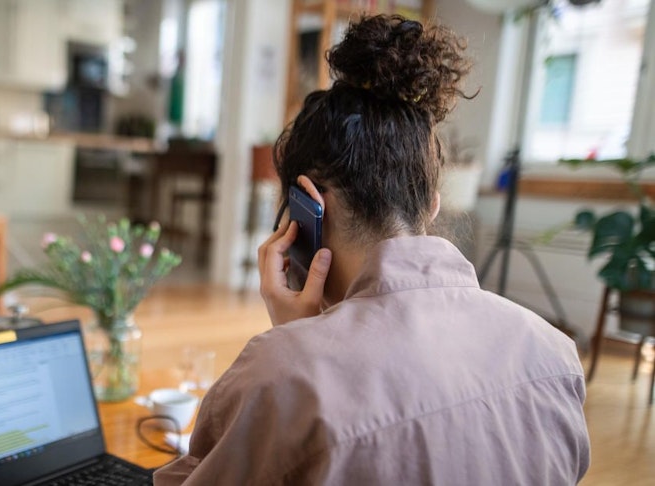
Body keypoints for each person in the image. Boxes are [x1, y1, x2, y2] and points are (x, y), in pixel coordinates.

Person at [154, 14, 589, 485]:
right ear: (432, 204)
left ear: (307, 204)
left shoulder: (279, 377)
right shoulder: (555, 355)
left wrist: (296, 343)